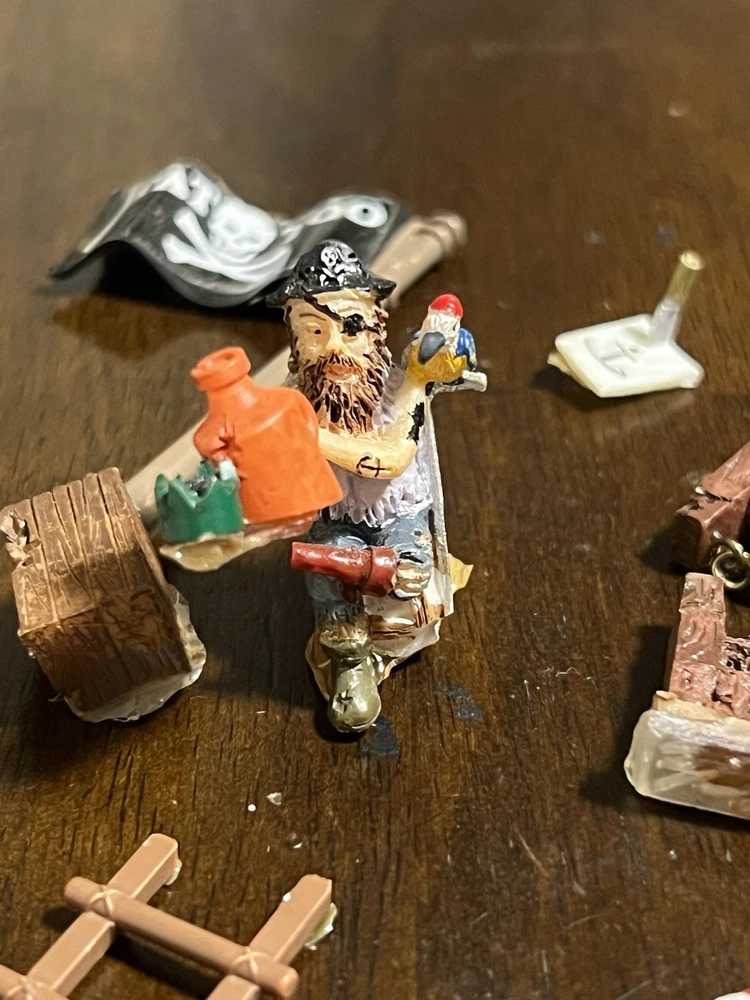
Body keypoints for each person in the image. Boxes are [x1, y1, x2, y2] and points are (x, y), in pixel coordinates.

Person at [267, 241, 475, 732]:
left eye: (351, 326)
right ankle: (352, 665)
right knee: (328, 579)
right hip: (335, 517)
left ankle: (393, 632)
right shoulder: (292, 402)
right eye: (314, 331)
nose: (334, 347)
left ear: (376, 327)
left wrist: (449, 354)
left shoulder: (404, 386)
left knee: (410, 572)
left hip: (400, 514)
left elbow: (390, 457)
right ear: (294, 340)